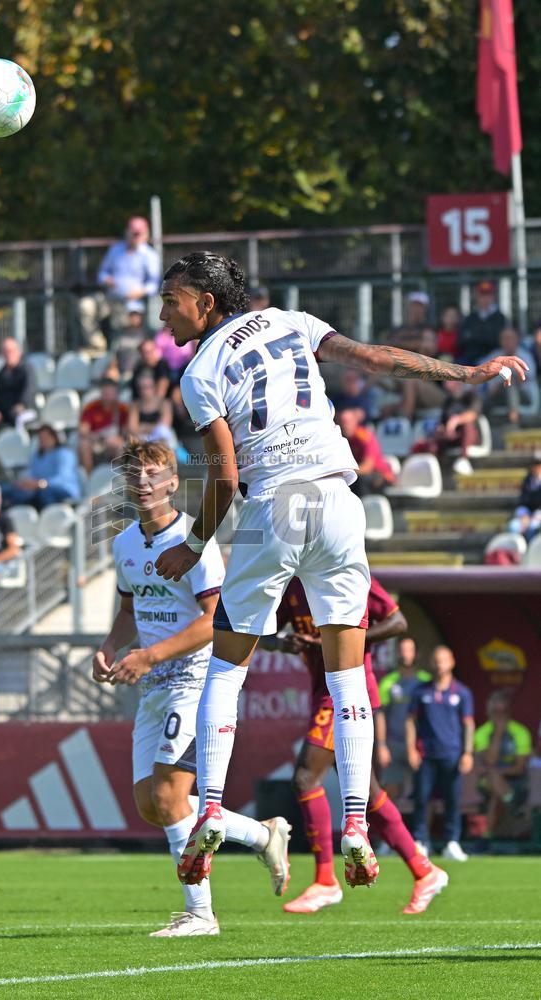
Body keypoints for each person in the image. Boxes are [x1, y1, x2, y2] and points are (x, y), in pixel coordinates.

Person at [152, 250, 524, 891]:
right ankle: (356, 822)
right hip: (339, 504)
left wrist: (192, 544)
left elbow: (226, 477)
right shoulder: (289, 320)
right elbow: (375, 358)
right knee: (348, 676)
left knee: (226, 668)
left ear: (206, 303)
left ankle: (210, 807)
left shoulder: (200, 371)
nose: (164, 315)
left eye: (171, 301)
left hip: (276, 503)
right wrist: (467, 372)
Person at [92, 440, 290, 937]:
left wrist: (150, 655)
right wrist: (111, 646)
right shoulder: (124, 544)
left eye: (154, 474)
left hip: (195, 682)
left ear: (173, 483)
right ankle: (262, 835)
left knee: (168, 794)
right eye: (135, 475)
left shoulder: (193, 541)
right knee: (152, 805)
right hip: (153, 686)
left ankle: (200, 913)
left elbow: (212, 620)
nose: (144, 483)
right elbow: (128, 609)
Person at [262, 576, 447, 914]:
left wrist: (338, 639)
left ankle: (325, 881)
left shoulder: (350, 572)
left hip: (348, 693)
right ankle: (425, 871)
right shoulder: (294, 582)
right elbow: (263, 633)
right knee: (368, 795)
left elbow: (397, 622)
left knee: (306, 778)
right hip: (323, 691)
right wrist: (282, 643)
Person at [406, 646, 475, 861]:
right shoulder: (420, 691)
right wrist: (411, 749)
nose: (439, 665)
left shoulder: (461, 692)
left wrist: (468, 752)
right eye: (436, 660)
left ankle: (451, 842)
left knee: (452, 800)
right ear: (431, 663)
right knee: (421, 798)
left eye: (443, 660)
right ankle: (420, 841)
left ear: (452, 662)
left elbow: (468, 723)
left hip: (452, 754)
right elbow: (410, 721)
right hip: (425, 753)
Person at [378, 638, 432, 800]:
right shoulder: (388, 682)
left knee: (424, 792)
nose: (405, 654)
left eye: (409, 650)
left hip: (421, 744)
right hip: (394, 743)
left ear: (417, 654)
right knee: (390, 790)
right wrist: (381, 745)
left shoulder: (426, 681)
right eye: (402, 650)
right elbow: (380, 715)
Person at [474, 691, 532, 839]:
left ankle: (487, 838)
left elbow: (519, 769)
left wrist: (495, 772)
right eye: (495, 712)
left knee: (496, 791)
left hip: (516, 783)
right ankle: (512, 804)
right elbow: (490, 760)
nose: (498, 716)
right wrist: (498, 735)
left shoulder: (520, 732)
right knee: (493, 781)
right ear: (488, 711)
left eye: (502, 712)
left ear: (509, 712)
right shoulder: (481, 733)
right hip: (485, 784)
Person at [98, 216, 161, 328]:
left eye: (138, 234)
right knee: (86, 307)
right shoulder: (115, 250)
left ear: (146, 234)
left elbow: (154, 284)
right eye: (133, 233)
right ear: (126, 232)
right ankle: (98, 340)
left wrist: (141, 292)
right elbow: (101, 274)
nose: (135, 236)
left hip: (136, 304)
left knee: (125, 321)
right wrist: (106, 279)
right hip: (110, 299)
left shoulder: (150, 255)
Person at [2, 424, 81, 509]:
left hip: (63, 490)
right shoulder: (36, 456)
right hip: (40, 490)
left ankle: (50, 515)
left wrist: (41, 484)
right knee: (11, 491)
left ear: (55, 437)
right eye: (41, 438)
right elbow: (33, 477)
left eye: (46, 437)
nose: (43, 440)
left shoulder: (65, 453)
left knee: (44, 492)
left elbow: (63, 478)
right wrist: (25, 483)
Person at [478, 327, 537, 424]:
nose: (507, 341)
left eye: (510, 338)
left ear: (517, 339)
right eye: (504, 338)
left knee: (510, 382)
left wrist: (502, 381)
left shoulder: (525, 356)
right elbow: (479, 370)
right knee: (479, 395)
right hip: (497, 395)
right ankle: (477, 422)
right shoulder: (495, 356)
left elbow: (525, 378)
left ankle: (513, 418)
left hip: (523, 395)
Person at [335, 408, 396, 495]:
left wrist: (344, 472)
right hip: (361, 476)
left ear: (355, 421)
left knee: (359, 481)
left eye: (347, 422)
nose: (345, 426)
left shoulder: (364, 437)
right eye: (342, 422)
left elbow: (367, 467)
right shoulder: (340, 440)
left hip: (381, 477)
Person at [78, 377, 129, 472]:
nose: (108, 397)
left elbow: (126, 434)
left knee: (121, 447)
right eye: (105, 393)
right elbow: (83, 431)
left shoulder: (123, 409)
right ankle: (89, 476)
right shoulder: (91, 407)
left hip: (113, 444)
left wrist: (117, 439)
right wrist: (96, 437)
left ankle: (115, 477)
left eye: (111, 394)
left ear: (116, 394)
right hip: (95, 443)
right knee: (84, 445)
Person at [0, 338, 36, 430]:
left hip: (24, 410)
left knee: (15, 417)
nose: (8, 354)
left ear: (19, 352)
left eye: (11, 351)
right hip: (4, 411)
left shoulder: (26, 370)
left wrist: (22, 404)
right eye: (5, 352)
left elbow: (29, 390)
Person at [458, 280, 507, 365]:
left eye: (488, 295)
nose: (485, 299)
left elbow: (497, 340)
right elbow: (462, 340)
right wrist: (484, 337)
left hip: (493, 360)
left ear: (493, 297)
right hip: (470, 360)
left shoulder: (500, 318)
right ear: (477, 297)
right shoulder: (471, 317)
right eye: (482, 295)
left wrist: (473, 337)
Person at [127, 371, 175, 445]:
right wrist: (152, 427)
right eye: (141, 388)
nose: (144, 391)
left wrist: (143, 427)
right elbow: (132, 428)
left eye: (147, 387)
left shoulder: (164, 403)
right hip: (142, 439)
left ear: (154, 387)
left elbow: (163, 427)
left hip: (161, 440)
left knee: (164, 433)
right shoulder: (135, 405)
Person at [508, 451, 541, 541]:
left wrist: (537, 515)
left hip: (538, 515)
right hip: (527, 513)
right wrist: (523, 514)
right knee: (513, 527)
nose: (537, 467)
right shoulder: (527, 481)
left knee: (533, 528)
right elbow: (522, 502)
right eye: (535, 464)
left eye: (539, 464)